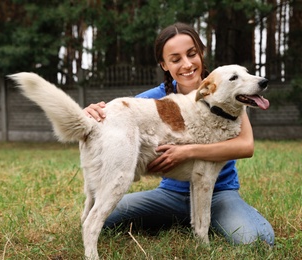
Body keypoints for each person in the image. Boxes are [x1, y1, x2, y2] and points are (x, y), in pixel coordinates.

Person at [83, 22, 275, 246]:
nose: (186, 64)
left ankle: (227, 214)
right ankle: (181, 219)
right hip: (168, 196)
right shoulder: (155, 97)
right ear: (164, 65)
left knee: (258, 240)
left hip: (219, 194)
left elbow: (246, 146)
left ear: (201, 54)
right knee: (104, 217)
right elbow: (121, 118)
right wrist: (92, 114)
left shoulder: (229, 94)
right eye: (175, 59)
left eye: (192, 54)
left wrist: (187, 152)